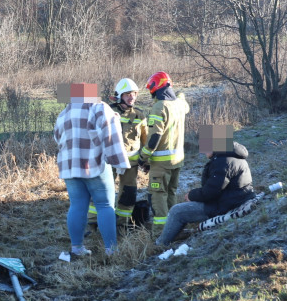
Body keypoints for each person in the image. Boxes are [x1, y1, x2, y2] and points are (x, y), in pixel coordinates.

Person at [54, 82, 129, 256]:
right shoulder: (99, 107)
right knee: (104, 205)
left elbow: (57, 138)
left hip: (70, 167)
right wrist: (119, 162)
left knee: (77, 206)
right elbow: (111, 136)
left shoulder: (64, 113)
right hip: (94, 164)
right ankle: (112, 250)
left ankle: (77, 248)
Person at [156, 124, 255, 246]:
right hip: (233, 200)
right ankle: (177, 235)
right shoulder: (230, 156)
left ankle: (160, 244)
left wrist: (191, 195)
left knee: (177, 211)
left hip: (225, 205)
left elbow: (211, 192)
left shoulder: (223, 161)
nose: (202, 150)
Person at [138, 71, 189, 235]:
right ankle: (175, 228)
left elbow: (155, 137)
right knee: (171, 193)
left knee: (158, 194)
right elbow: (183, 101)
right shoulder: (179, 105)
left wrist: (143, 157)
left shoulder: (160, 106)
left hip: (161, 163)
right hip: (177, 161)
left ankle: (161, 232)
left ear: (154, 88)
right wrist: (180, 95)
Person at [107, 78, 148, 230]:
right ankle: (96, 223)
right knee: (104, 191)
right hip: (109, 161)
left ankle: (122, 224)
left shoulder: (139, 115)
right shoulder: (108, 112)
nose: (132, 97)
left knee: (129, 193)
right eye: (128, 94)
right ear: (119, 95)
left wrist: (147, 161)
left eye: (134, 94)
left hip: (131, 163)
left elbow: (146, 140)